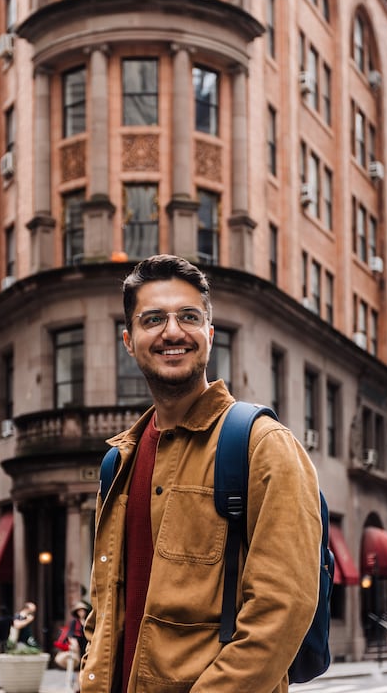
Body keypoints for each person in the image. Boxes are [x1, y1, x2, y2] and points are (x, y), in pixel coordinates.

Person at [81, 255, 321, 692]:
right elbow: (103, 612)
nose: (172, 331)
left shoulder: (263, 445)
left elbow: (281, 611)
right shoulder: (119, 462)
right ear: (129, 341)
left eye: (188, 317)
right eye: (152, 319)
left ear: (209, 335)